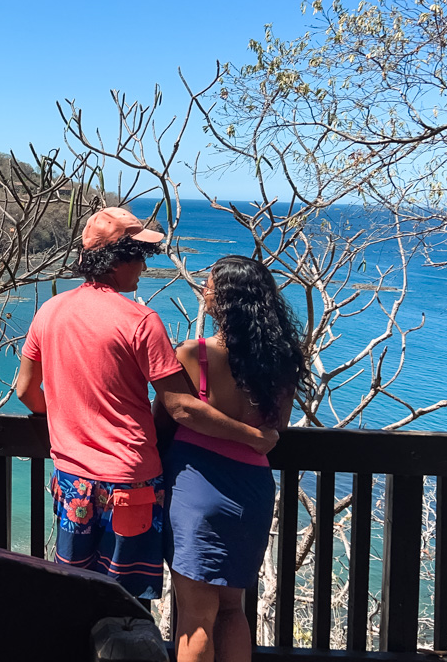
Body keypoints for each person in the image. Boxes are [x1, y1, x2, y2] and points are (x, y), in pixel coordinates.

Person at [15, 208, 279, 601]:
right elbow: (182, 407)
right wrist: (254, 436)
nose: (142, 266)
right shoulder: (140, 320)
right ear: (117, 259)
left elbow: (25, 391)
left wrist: (71, 418)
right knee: (125, 603)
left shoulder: (50, 311)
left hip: (72, 477)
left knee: (74, 594)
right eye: (138, 255)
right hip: (130, 481)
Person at [165, 255, 310, 662]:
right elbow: (276, 425)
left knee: (195, 616)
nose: (204, 291)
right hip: (252, 491)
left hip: (197, 489)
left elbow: (171, 413)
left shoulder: (195, 355)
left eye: (210, 285)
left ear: (225, 298)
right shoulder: (281, 360)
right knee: (233, 609)